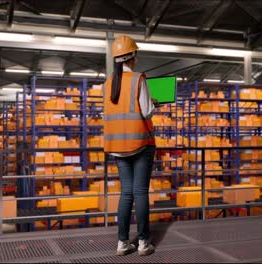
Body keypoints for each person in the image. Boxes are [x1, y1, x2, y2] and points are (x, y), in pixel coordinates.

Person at [103, 35, 157, 256]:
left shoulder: (107, 84)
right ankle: (144, 243)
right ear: (133, 56)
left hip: (117, 146)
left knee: (126, 194)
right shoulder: (138, 79)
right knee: (140, 192)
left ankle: (122, 243)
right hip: (140, 144)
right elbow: (146, 111)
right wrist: (154, 104)